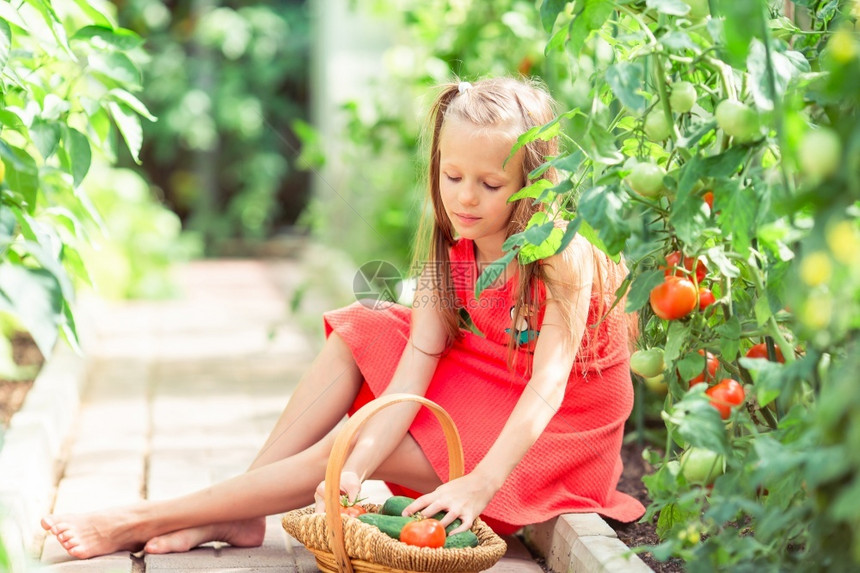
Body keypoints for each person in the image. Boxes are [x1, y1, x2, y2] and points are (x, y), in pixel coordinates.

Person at [41, 77, 645, 560]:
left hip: (559, 426)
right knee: (365, 329)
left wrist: (479, 482)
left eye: (490, 184)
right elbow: (418, 365)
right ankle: (242, 504)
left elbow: (548, 385)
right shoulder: (450, 239)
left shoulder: (560, 254)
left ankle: (144, 517)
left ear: (533, 186)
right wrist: (355, 466)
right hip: (487, 373)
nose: (464, 198)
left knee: (351, 440)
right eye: (450, 176)